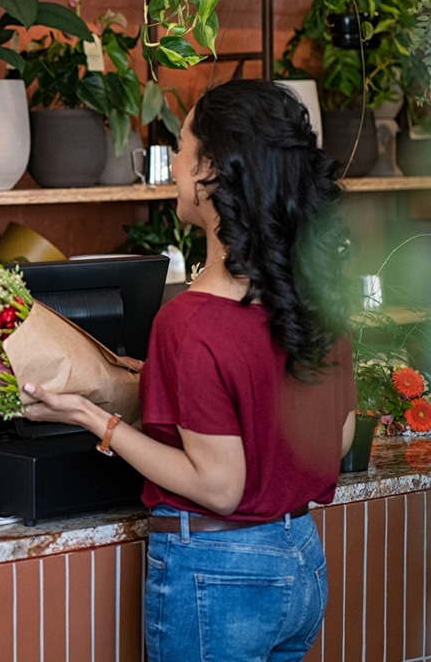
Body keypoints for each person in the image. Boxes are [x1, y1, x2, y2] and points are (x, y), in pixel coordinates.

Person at [20, 79, 357, 662]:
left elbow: (218, 487)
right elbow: (340, 437)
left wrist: (90, 416)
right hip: (300, 558)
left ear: (213, 173)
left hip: (217, 576)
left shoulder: (192, 322)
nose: (172, 162)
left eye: (181, 146)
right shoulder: (316, 299)